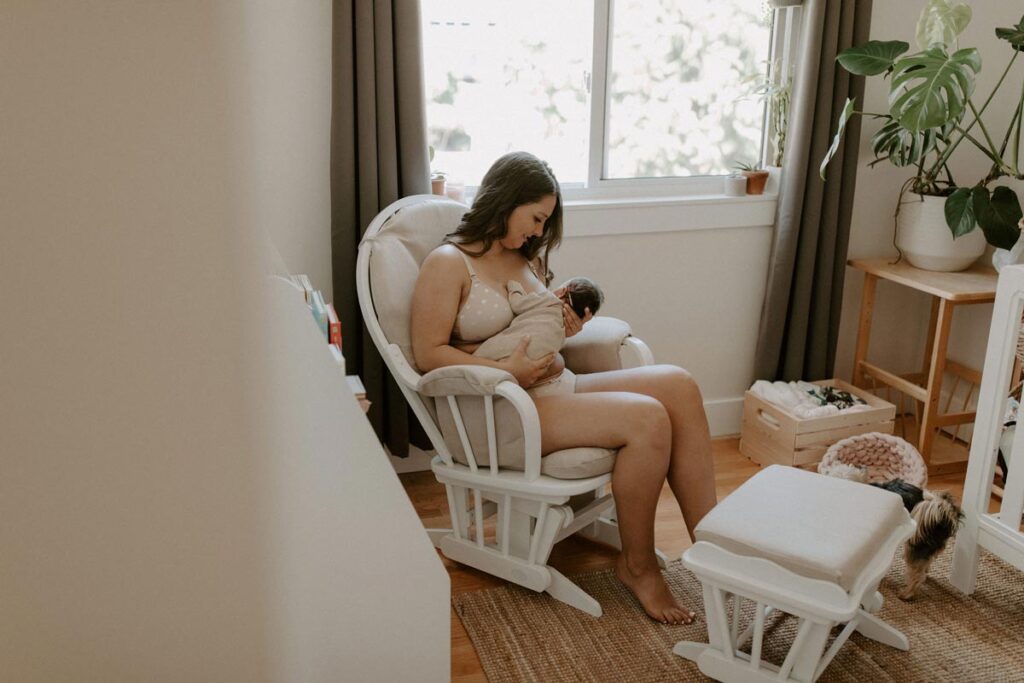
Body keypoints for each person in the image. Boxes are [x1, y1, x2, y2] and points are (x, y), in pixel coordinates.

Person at [411, 151, 717, 625]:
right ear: (505, 200)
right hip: (499, 411)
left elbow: (533, 327)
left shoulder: (520, 261)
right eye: (535, 217)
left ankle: (712, 550)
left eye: (545, 221)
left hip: (551, 389)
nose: (537, 231)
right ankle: (637, 566)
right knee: (647, 417)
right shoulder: (447, 263)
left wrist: (563, 326)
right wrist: (508, 371)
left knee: (678, 385)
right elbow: (428, 354)